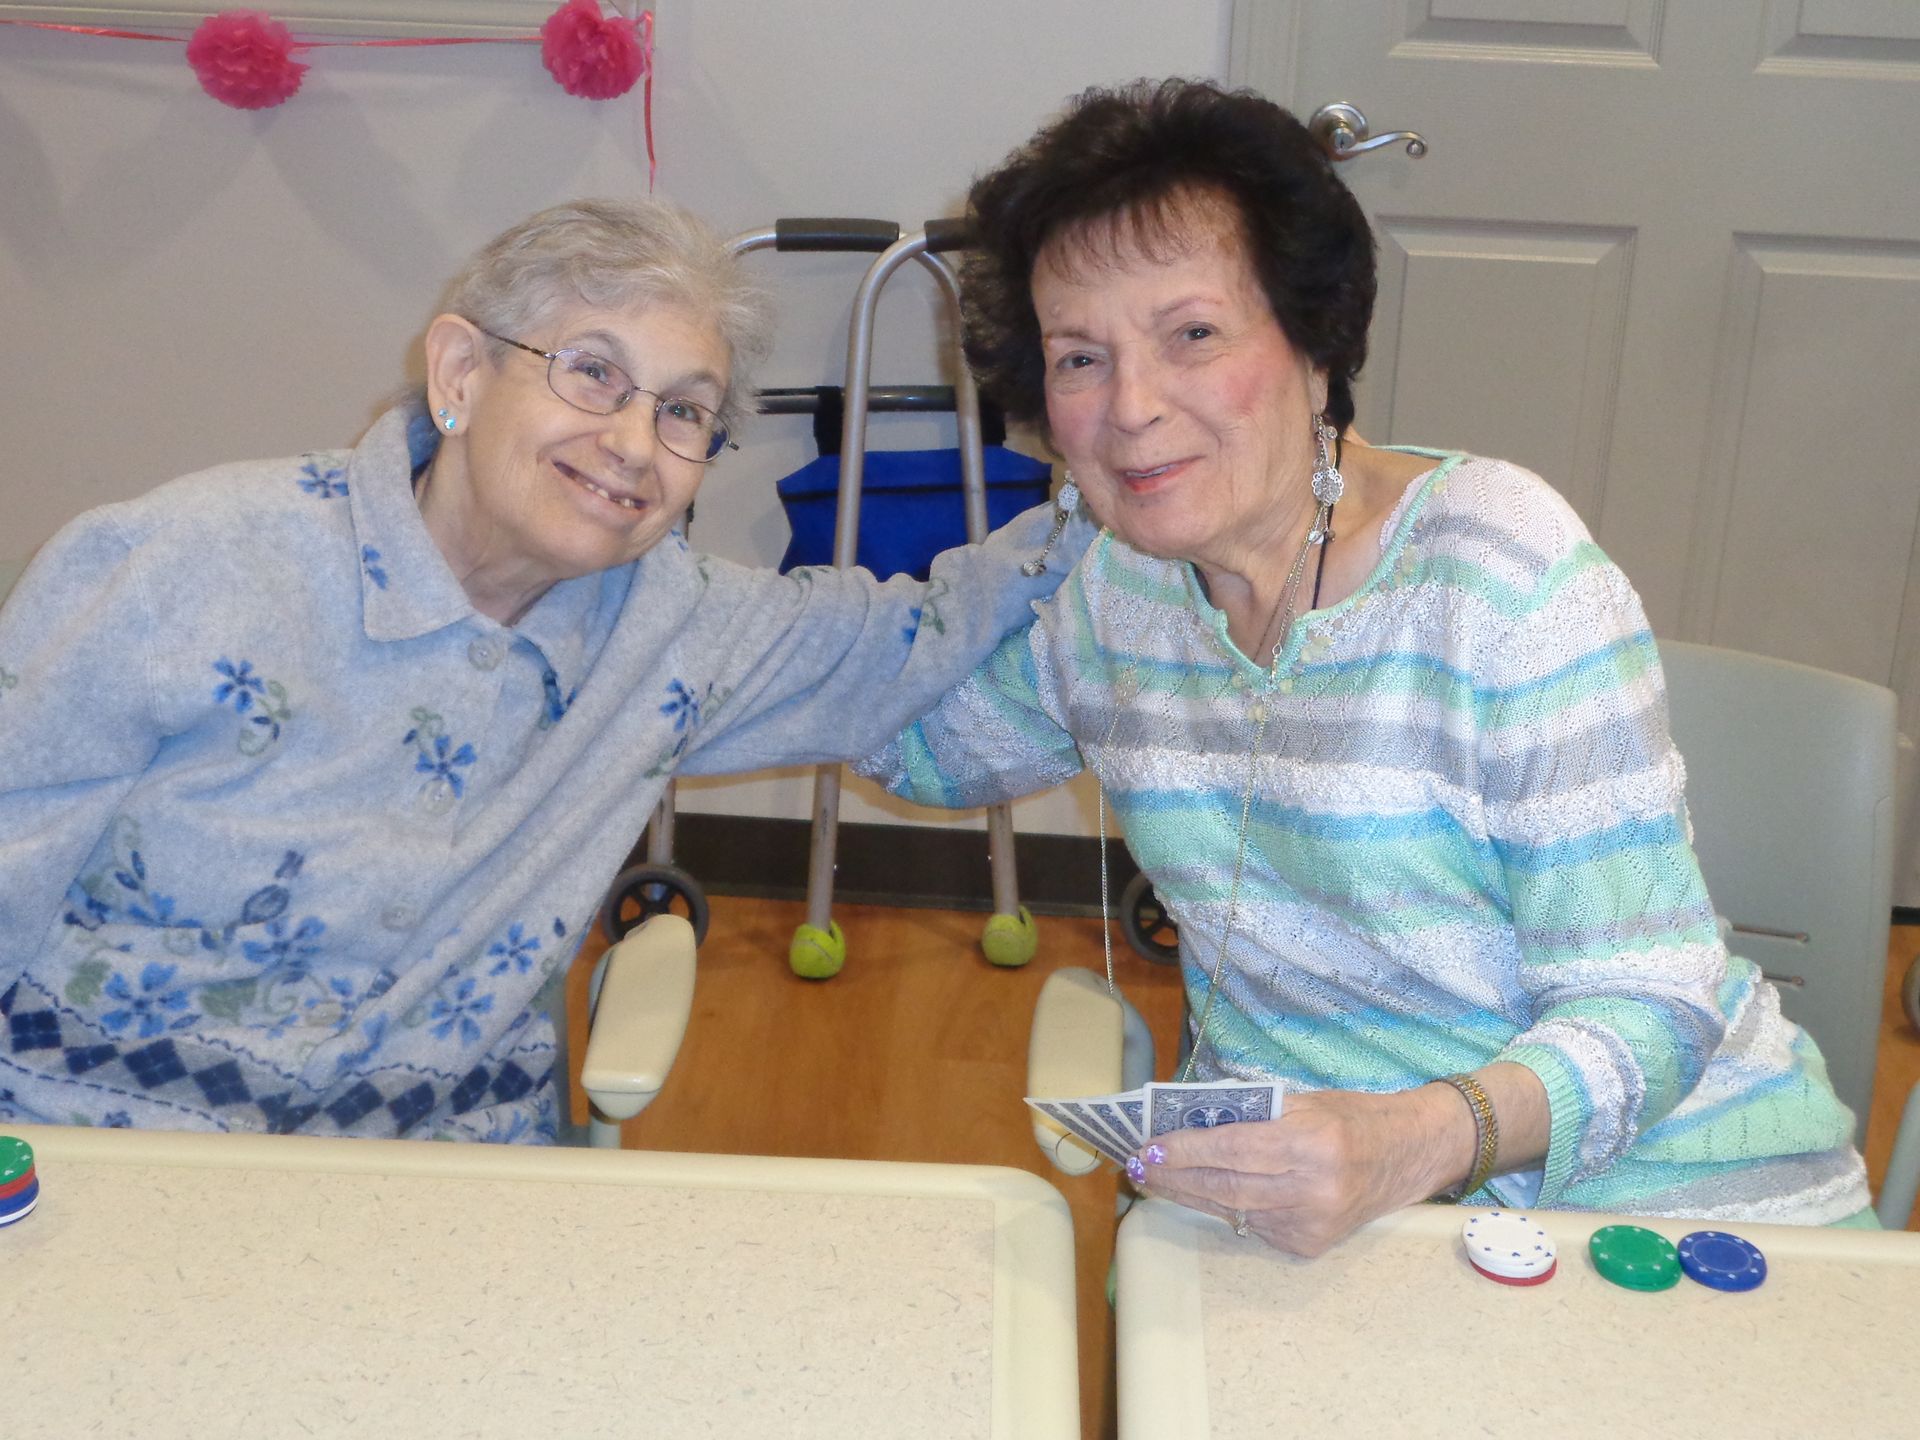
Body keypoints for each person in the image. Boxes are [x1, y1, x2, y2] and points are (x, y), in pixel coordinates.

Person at [856, 79, 1872, 1249]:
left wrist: (1412, 1144)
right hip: (1327, 1214)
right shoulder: (1110, 588)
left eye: (1192, 334)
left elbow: (1652, 998)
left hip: (1668, 1204)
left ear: (1311, 338)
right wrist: (635, 591)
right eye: (1080, 358)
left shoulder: (1498, 572)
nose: (1130, 408)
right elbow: (913, 738)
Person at [0, 198, 1088, 1143]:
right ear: (460, 374)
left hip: (442, 1188)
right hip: (105, 1162)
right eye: (593, 374)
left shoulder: (677, 625)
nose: (632, 441)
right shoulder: (182, 566)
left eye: (683, 412)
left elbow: (929, 632)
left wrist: (1118, 492)